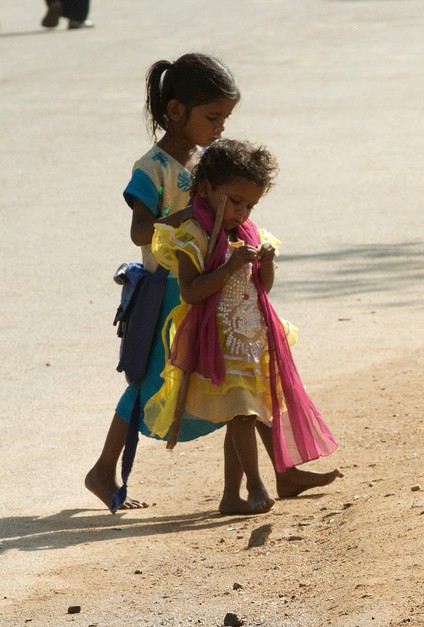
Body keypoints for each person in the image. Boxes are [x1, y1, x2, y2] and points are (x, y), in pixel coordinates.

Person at [85, 53, 341, 513]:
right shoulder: (153, 167)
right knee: (152, 383)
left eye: (226, 117)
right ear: (177, 110)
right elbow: (139, 231)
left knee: (245, 379)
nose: (220, 126)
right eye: (212, 116)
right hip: (172, 293)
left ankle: (282, 470)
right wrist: (180, 217)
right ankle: (104, 470)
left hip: (219, 291)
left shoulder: (209, 160)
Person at [144, 138, 339, 514]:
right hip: (217, 344)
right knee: (243, 415)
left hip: (251, 340)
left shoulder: (246, 234)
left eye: (250, 205)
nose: (242, 212)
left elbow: (260, 289)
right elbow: (190, 291)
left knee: (249, 414)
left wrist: (264, 263)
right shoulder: (193, 235)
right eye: (234, 201)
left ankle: (233, 495)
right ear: (205, 190)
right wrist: (230, 267)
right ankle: (257, 485)